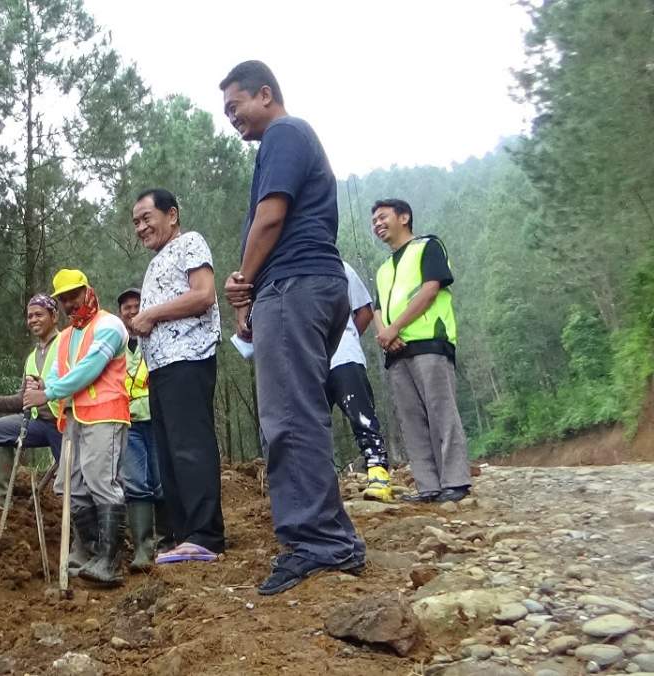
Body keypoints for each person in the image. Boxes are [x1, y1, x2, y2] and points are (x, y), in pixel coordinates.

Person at [219, 60, 365, 595]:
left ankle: (320, 544)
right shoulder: (290, 138)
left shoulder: (284, 132)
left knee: (287, 418)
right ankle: (328, 538)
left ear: (264, 94)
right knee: (298, 411)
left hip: (295, 286)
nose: (231, 118)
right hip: (314, 286)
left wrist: (244, 279)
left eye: (235, 106)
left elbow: (272, 215)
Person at [127, 189, 227, 566]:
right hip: (161, 367)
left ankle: (206, 534)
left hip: (189, 358)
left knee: (190, 446)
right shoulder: (155, 263)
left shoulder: (189, 243)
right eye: (135, 222)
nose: (140, 227)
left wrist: (151, 316)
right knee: (169, 452)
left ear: (172, 214)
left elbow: (204, 295)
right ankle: (183, 535)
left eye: (146, 217)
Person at [23, 269, 130, 586]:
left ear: (87, 290)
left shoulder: (110, 326)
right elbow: (58, 373)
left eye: (74, 295)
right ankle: (91, 552)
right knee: (70, 485)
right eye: (64, 299)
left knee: (101, 480)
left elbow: (90, 369)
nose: (71, 303)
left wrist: (49, 392)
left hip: (105, 415)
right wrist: (48, 386)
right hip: (73, 417)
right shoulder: (67, 336)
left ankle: (110, 561)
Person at [371, 198, 471, 502]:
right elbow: (376, 308)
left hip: (429, 343)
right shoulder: (383, 269)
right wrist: (385, 335)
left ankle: (455, 481)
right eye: (373, 221)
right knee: (411, 420)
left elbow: (430, 290)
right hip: (396, 351)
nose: (377, 224)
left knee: (442, 411)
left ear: (404, 217)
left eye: (383, 217)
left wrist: (395, 327)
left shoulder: (428, 246)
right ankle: (428, 486)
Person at [0, 294, 63, 507]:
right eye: (29, 316)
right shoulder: (32, 357)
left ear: (54, 316)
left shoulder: (66, 344)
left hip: (65, 424)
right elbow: (23, 398)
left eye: (39, 314)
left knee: (73, 480)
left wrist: (47, 388)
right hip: (38, 423)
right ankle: (2, 498)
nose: (33, 320)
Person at [327, 261, 393, 502]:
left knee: (362, 417)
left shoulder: (340, 267)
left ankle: (378, 473)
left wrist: (345, 337)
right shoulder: (286, 267)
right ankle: (322, 486)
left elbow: (364, 310)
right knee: (312, 426)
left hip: (345, 355)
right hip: (307, 363)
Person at [114, 287, 164, 570]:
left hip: (157, 418)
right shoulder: (116, 345)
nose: (131, 311)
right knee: (135, 482)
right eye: (126, 308)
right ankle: (143, 550)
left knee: (161, 479)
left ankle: (166, 541)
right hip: (128, 421)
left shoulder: (157, 337)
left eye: (136, 305)